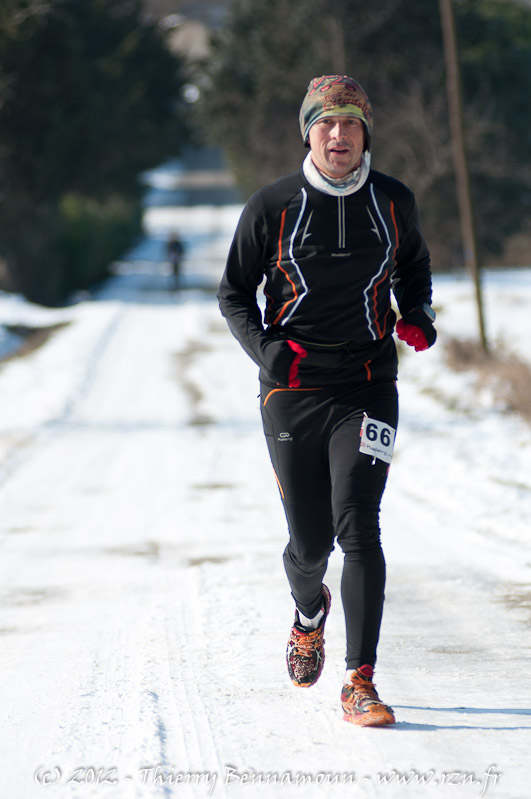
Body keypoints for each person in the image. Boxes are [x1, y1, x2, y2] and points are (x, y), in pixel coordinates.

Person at [217, 75, 436, 727]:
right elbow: (233, 293)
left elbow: (413, 266)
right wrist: (267, 351)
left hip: (368, 381)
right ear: (307, 133)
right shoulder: (272, 205)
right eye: (326, 123)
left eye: (350, 123)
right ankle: (308, 612)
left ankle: (358, 680)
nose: (338, 135)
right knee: (310, 544)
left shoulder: (392, 201)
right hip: (292, 389)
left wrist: (417, 312)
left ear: (366, 134)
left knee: (358, 524)